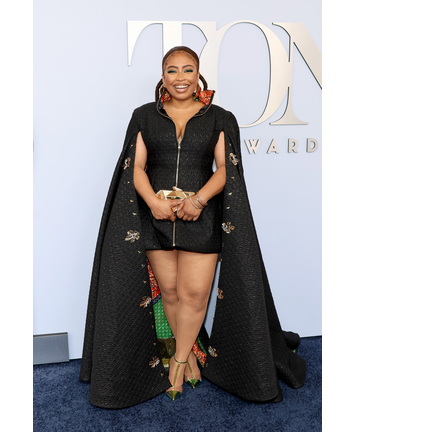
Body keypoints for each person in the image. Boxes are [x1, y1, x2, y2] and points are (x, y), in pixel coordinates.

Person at [79, 46, 307, 409]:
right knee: (170, 293)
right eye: (172, 70)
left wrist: (198, 201)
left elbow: (226, 168)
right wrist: (153, 202)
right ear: (163, 76)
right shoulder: (143, 116)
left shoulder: (219, 117)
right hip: (156, 221)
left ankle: (180, 361)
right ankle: (191, 356)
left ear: (199, 74)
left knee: (196, 295)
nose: (180, 77)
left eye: (188, 70)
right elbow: (134, 167)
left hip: (202, 219)